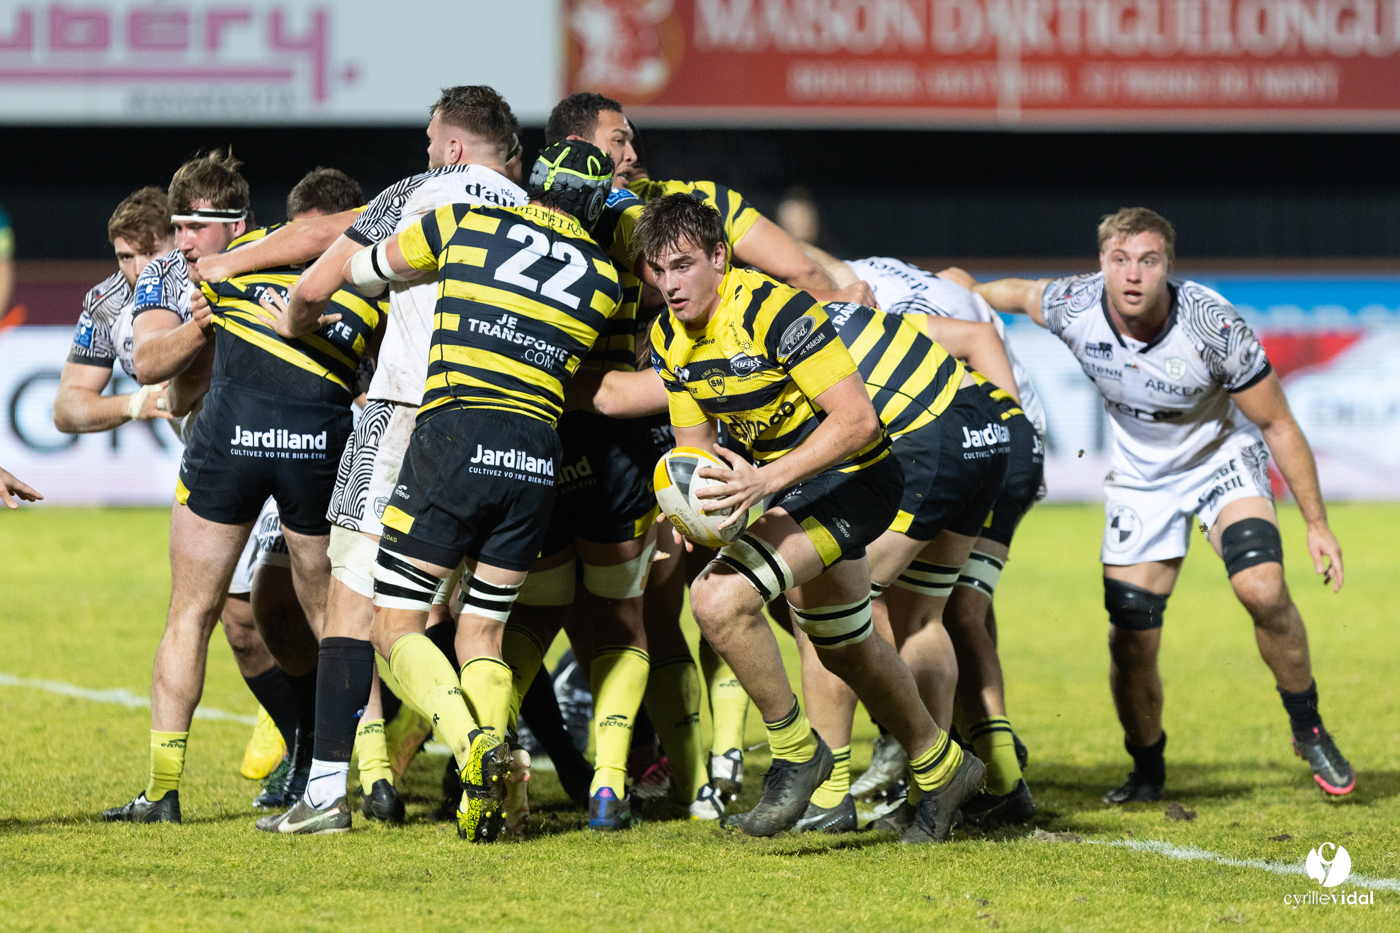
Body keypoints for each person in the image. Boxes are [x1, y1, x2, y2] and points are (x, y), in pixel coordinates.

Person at [270, 139, 620, 840]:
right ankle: (504, 798)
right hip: (536, 453)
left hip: (445, 427)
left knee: (387, 617)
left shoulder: (459, 218)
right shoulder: (604, 276)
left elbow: (359, 270)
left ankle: (457, 751)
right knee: (483, 629)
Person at [944, 206, 1354, 801]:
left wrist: (1316, 524)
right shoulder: (1076, 305)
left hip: (1220, 460)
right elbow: (1023, 294)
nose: (1133, 274)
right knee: (1132, 639)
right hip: (1141, 480)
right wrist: (975, 289)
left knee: (1262, 588)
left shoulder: (1212, 326)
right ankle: (1147, 769)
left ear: (1168, 267)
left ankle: (1308, 727)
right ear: (1101, 264)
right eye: (1120, 260)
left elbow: (1279, 424)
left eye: (1148, 260)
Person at [640, 194, 985, 843]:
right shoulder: (667, 336)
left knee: (717, 600)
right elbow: (694, 454)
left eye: (683, 266)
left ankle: (797, 754)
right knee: (846, 643)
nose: (670, 284)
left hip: (855, 479)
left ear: (720, 255)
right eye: (658, 271)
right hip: (790, 487)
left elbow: (858, 421)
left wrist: (764, 482)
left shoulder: (775, 309)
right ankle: (945, 768)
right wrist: (695, 513)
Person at [241, 87, 530, 833]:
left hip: (405, 410)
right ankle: (495, 768)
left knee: (355, 600)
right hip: (512, 424)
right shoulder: (531, 213)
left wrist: (297, 320)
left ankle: (330, 789)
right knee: (479, 622)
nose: (426, 150)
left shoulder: (411, 193)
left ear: (456, 147)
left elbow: (317, 281)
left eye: (433, 138)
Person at [102, 155, 378, 824]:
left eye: (200, 227)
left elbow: (340, 268)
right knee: (216, 615)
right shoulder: (172, 274)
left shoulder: (281, 253)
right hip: (224, 441)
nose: (187, 241)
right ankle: (164, 788)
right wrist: (204, 321)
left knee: (314, 614)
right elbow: (146, 363)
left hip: (294, 436)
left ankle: (370, 774)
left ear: (244, 225)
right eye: (180, 226)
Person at [807, 252, 1043, 824]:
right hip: (994, 437)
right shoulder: (904, 287)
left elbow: (978, 335)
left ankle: (843, 781)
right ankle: (989, 774)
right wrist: (1011, 427)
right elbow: (972, 301)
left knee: (832, 595)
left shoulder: (834, 310)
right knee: (949, 612)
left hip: (959, 431)